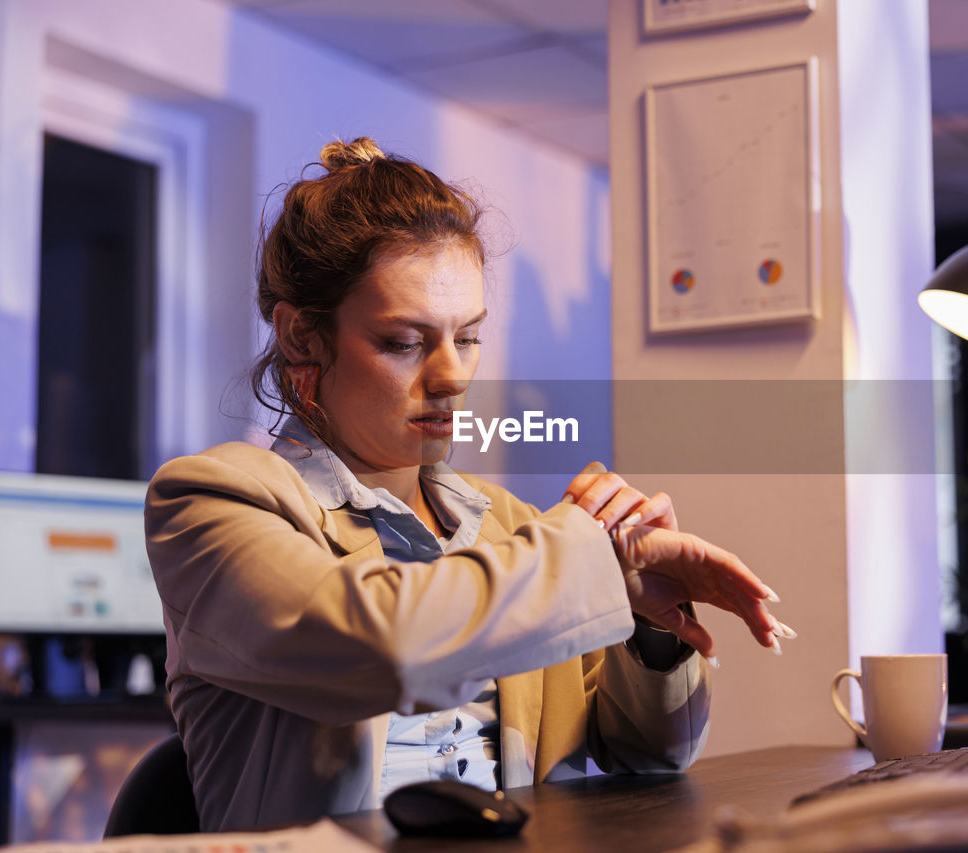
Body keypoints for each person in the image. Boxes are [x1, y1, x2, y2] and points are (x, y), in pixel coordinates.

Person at [144, 137, 791, 832]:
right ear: (302, 335)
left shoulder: (512, 526)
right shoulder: (209, 501)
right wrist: (590, 549)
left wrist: (649, 627)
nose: (452, 376)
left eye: (469, 337)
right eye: (405, 341)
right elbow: (383, 647)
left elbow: (648, 756)